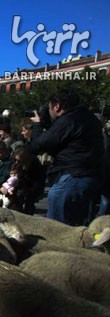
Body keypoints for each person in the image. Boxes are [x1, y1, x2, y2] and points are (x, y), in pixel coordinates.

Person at [30, 88, 104, 226]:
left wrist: (37, 125)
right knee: (79, 228)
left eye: (49, 107)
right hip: (91, 177)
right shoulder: (89, 118)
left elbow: (40, 144)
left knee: (59, 229)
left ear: (57, 106)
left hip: (73, 177)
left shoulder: (68, 120)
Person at [11, 146, 46, 215]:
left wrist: (33, 192)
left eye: (19, 161)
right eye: (16, 160)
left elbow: (38, 180)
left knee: (29, 206)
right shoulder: (16, 163)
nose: (17, 162)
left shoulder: (35, 164)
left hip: (32, 186)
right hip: (20, 186)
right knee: (16, 205)